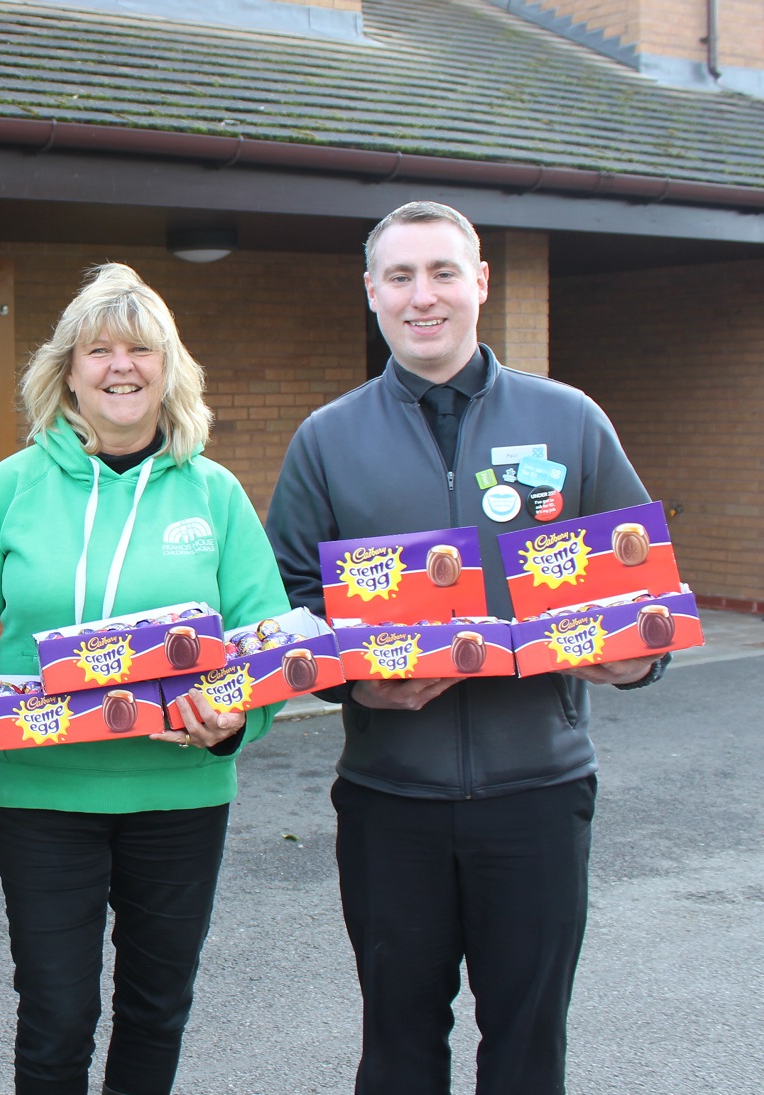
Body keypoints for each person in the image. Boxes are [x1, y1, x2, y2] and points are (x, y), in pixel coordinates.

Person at [266, 200, 667, 1095]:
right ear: (371, 291)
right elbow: (286, 605)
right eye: (400, 276)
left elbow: (641, 588)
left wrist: (639, 656)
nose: (423, 297)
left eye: (442, 272)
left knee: (526, 1049)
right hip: (388, 799)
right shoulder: (325, 441)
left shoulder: (570, 421)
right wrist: (353, 690)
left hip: (537, 793)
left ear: (479, 283)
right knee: (398, 1046)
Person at [0, 263, 291, 1095]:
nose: (120, 366)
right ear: (67, 371)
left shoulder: (215, 493)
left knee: (155, 1007)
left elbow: (266, 643)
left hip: (178, 796)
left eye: (140, 348)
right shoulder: (16, 485)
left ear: (169, 370)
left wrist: (233, 719)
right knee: (56, 1014)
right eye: (99, 349)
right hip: (45, 794)